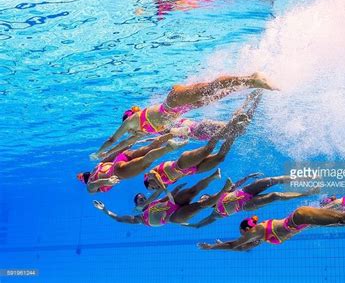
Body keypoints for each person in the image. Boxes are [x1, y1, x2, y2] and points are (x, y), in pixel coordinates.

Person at [92, 73, 275, 160]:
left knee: (209, 88)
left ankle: (251, 78)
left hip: (173, 102)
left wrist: (101, 151)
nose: (128, 131)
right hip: (183, 108)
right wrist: (107, 154)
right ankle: (249, 86)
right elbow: (123, 145)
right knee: (216, 94)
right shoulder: (140, 133)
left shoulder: (133, 120)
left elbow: (113, 138)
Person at [143, 90, 261, 194]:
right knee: (236, 135)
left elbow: (154, 175)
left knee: (215, 144)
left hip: (199, 131)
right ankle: (254, 103)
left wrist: (164, 190)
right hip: (193, 164)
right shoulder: (166, 181)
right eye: (154, 189)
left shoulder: (151, 175)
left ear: (148, 181)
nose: (155, 188)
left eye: (152, 187)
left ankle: (244, 106)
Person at [198, 206, 345, 251]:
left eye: (245, 234)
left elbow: (236, 244)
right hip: (305, 220)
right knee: (344, 219)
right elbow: (242, 248)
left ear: (246, 230)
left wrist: (212, 248)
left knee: (344, 219)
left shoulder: (257, 230)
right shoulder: (258, 237)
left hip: (300, 217)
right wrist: (220, 247)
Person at [92, 170, 234, 226]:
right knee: (201, 204)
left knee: (192, 190)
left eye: (142, 197)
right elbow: (117, 218)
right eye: (140, 199)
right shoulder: (138, 219)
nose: (142, 199)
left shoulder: (154, 203)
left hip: (174, 203)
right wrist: (104, 209)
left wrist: (177, 189)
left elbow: (166, 197)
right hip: (174, 217)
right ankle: (224, 190)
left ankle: (215, 176)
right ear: (137, 205)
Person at [186, 174, 320, 228]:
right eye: (202, 200)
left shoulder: (221, 193)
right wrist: (192, 225)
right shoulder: (215, 213)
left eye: (204, 197)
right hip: (246, 205)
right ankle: (307, 193)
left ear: (210, 196)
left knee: (270, 180)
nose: (203, 199)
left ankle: (306, 177)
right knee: (274, 196)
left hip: (246, 191)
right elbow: (201, 223)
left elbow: (236, 185)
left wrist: (248, 176)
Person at [77, 133, 185, 193]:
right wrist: (128, 144)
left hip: (118, 172)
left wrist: (107, 181)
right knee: (149, 148)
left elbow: (91, 186)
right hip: (122, 157)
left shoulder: (92, 185)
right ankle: (174, 132)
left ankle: (169, 147)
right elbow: (114, 154)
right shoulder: (98, 166)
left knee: (145, 162)